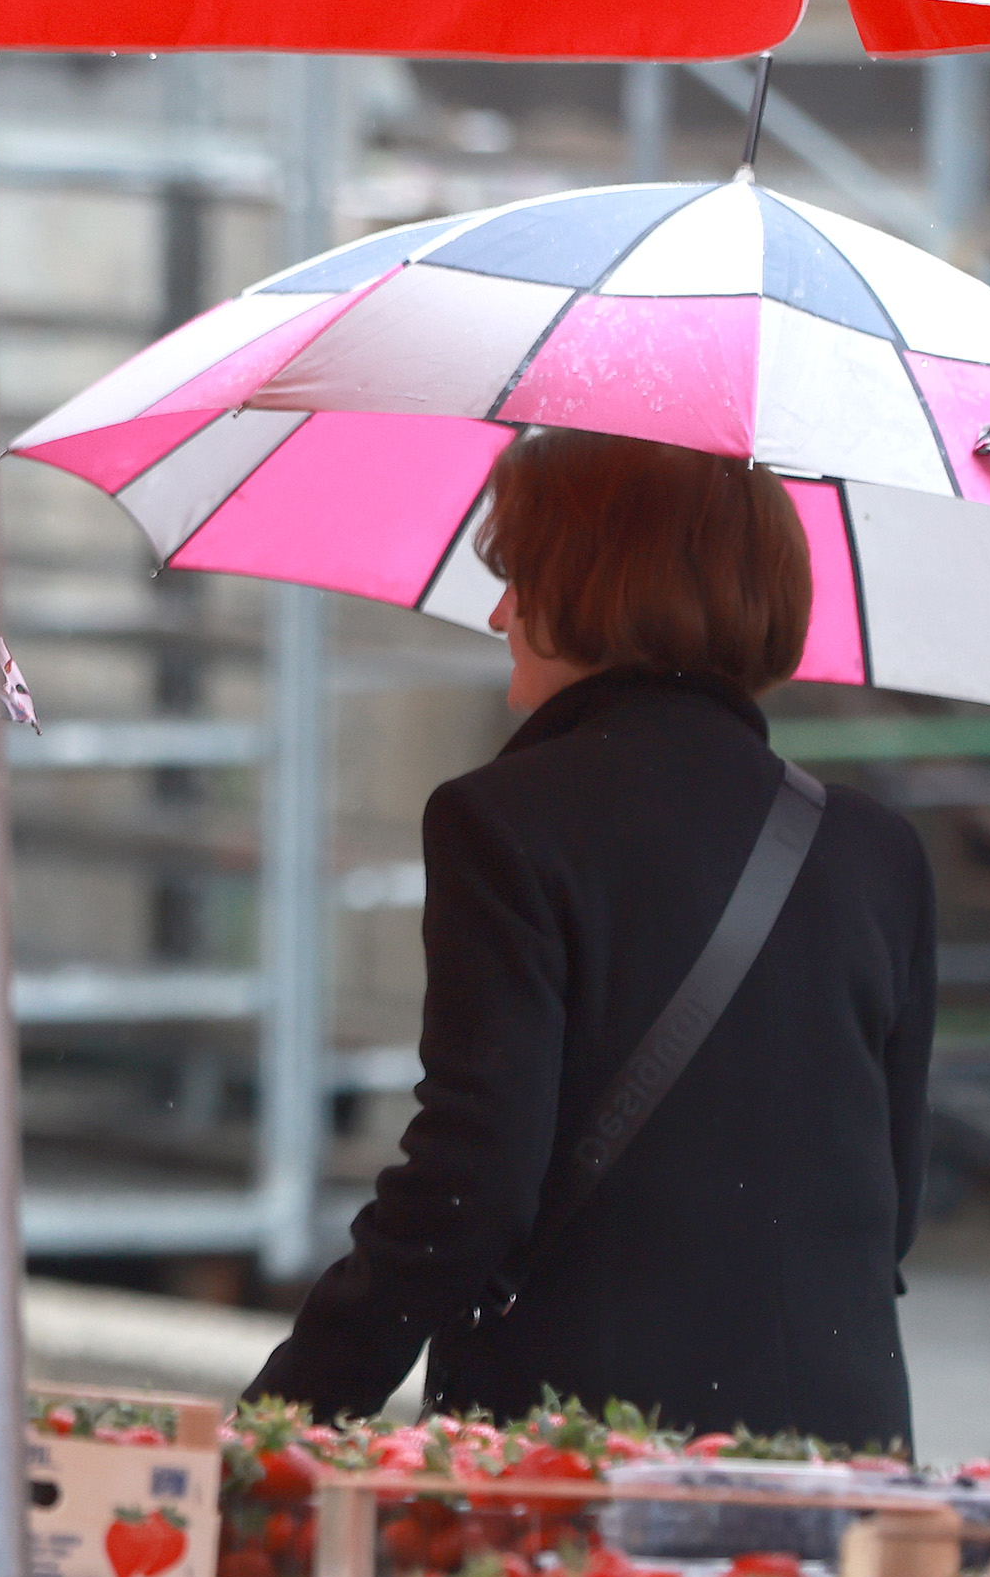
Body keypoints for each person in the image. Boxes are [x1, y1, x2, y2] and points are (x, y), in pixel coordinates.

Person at [251, 427, 932, 1447]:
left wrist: (285, 1416)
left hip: (583, 1458)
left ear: (594, 586)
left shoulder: (504, 824)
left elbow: (466, 1191)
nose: (497, 611)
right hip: (840, 1456)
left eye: (518, 576)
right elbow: (887, 1206)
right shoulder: (876, 850)